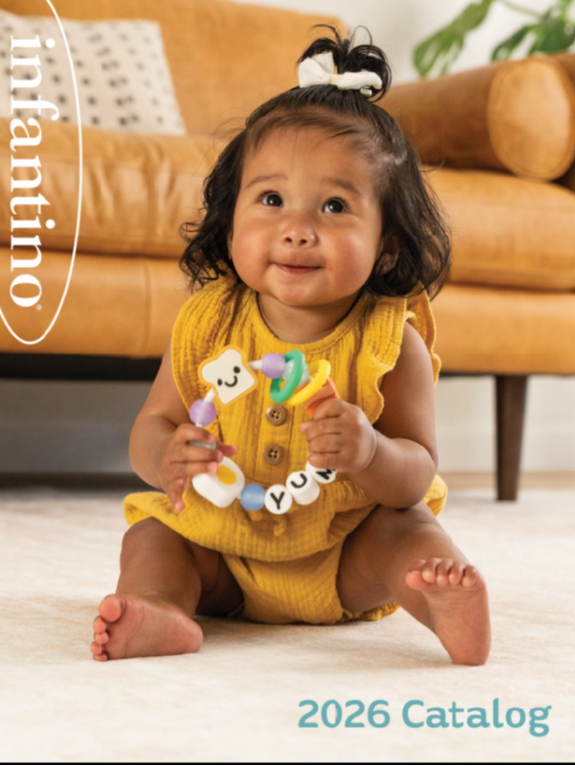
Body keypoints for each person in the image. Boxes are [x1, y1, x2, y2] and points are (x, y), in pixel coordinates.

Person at [90, 26, 490, 665]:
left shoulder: (391, 343)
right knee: (150, 535)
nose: (298, 229)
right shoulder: (206, 322)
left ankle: (443, 604)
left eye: (333, 206)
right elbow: (151, 427)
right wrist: (167, 454)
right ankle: (162, 608)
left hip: (345, 557)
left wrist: (370, 451)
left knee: (407, 532)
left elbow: (416, 473)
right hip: (219, 551)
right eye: (272, 199)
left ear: (387, 244)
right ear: (230, 223)